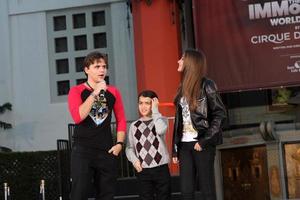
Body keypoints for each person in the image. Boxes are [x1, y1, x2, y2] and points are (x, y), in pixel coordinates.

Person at [67, 51, 126, 200]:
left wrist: (119, 143)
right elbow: (78, 117)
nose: (102, 70)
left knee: (107, 194)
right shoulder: (76, 91)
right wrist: (96, 92)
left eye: (104, 66)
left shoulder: (113, 92)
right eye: (97, 66)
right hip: (83, 150)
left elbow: (121, 120)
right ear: (87, 69)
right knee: (79, 193)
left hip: (106, 150)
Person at [172, 49, 227, 200]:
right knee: (186, 191)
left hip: (201, 143)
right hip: (184, 145)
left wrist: (204, 141)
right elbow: (179, 121)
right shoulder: (182, 88)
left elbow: (220, 115)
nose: (179, 61)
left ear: (190, 62)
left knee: (206, 190)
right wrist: (175, 148)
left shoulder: (207, 85)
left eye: (182, 59)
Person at [126, 90, 171, 200]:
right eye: (141, 103)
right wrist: (134, 160)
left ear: (154, 104)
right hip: (143, 170)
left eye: (147, 103)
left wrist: (156, 111)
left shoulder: (162, 120)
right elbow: (129, 148)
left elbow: (160, 130)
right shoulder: (134, 126)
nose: (143, 106)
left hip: (161, 169)